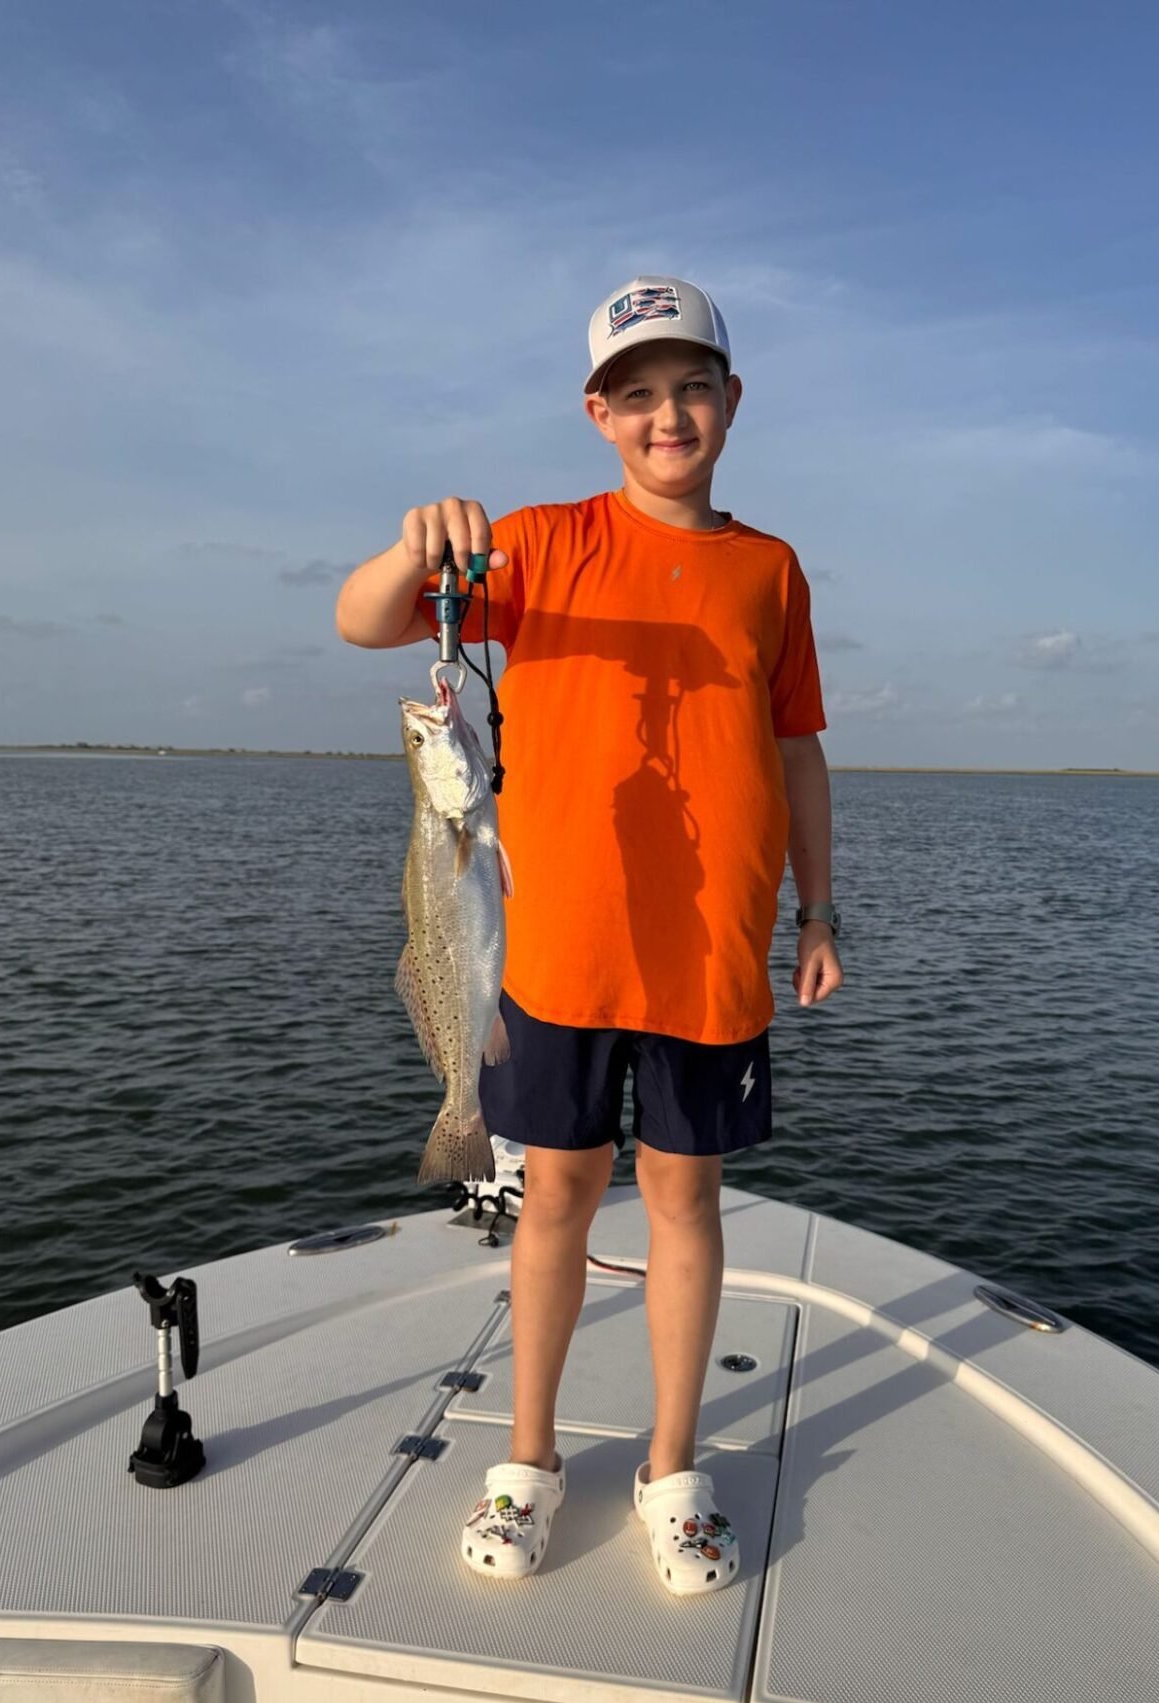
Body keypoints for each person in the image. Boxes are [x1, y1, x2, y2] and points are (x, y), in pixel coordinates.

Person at [336, 273, 842, 1597]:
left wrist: (819, 908)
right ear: (597, 414)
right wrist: (416, 545)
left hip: (714, 954)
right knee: (553, 1198)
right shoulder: (540, 546)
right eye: (637, 394)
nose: (666, 414)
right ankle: (530, 1460)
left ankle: (672, 1467)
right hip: (550, 951)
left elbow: (798, 754)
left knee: (686, 1205)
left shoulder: (771, 571)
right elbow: (367, 618)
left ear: (730, 402)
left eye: (691, 388)